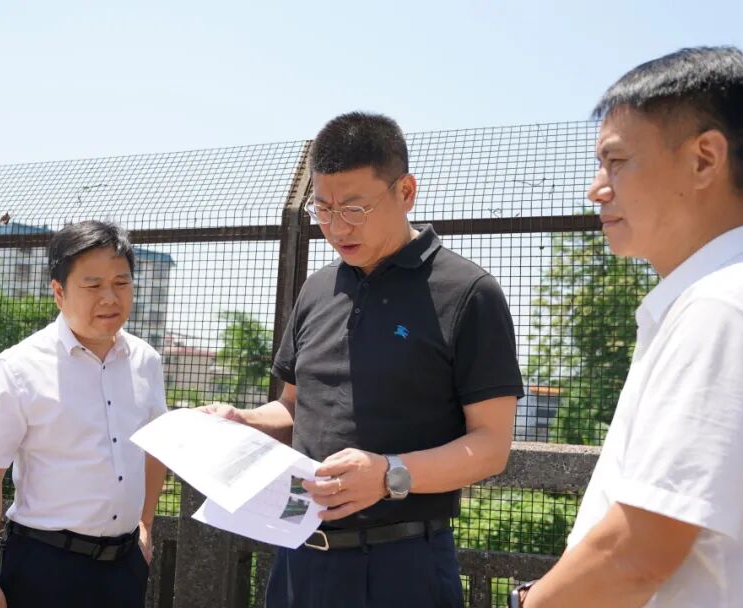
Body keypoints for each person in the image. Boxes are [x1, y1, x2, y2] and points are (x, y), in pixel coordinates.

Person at [513, 47, 743, 608]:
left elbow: (637, 555)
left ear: (705, 159)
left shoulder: (727, 310)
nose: (596, 188)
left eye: (616, 161)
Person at [203, 112, 524, 608]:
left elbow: (491, 446)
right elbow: (293, 408)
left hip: (403, 563)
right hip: (298, 555)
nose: (336, 227)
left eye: (355, 208)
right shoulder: (316, 288)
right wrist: (243, 421)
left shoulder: (468, 293)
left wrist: (389, 473)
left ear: (406, 192)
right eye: (323, 208)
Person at [0, 220, 168, 608]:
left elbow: (155, 447)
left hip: (125, 566)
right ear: (59, 292)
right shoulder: (18, 367)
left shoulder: (147, 361)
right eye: (93, 285)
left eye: (121, 283)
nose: (110, 297)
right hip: (45, 565)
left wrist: (145, 523)